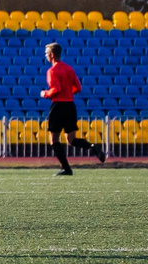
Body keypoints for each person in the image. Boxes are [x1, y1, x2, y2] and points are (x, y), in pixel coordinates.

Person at [39, 41, 104, 173]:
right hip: (70, 105)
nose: (45, 56)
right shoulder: (69, 68)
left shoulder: (52, 71)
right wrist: (68, 93)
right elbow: (78, 88)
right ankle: (92, 147)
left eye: (46, 53)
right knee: (71, 139)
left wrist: (45, 93)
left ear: (51, 54)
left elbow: (56, 89)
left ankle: (66, 168)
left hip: (58, 106)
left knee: (54, 139)